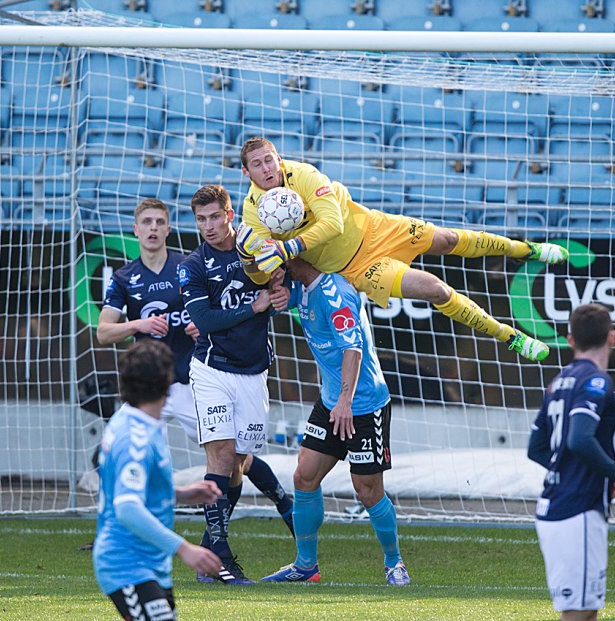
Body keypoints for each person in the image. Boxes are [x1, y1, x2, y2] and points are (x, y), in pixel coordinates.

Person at [234, 136, 569, 362]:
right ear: (246, 172)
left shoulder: (303, 174)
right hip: (355, 269)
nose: (268, 169)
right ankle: (509, 336)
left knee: (448, 240)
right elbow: (263, 269)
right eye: (258, 165)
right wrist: (254, 263)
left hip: (376, 228)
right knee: (435, 290)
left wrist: (289, 247)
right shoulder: (253, 213)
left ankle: (526, 249)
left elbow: (333, 223)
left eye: (270, 160)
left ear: (279, 158)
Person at [96, 198, 295, 547]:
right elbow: (103, 332)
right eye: (147, 222)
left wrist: (198, 325)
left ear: (169, 228)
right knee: (116, 446)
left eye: (160, 222)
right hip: (150, 388)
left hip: (189, 379)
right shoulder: (125, 277)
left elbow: (210, 313)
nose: (153, 228)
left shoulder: (184, 266)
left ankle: (281, 502)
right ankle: (114, 527)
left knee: (236, 458)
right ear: (135, 229)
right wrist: (139, 323)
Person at [260, 259, 409, 586]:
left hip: (364, 404)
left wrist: (345, 402)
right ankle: (306, 565)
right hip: (331, 402)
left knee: (366, 490)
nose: (277, 266)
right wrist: (273, 299)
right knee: (304, 475)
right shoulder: (301, 288)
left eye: (283, 259)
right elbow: (275, 299)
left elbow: (353, 349)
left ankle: (394, 562)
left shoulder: (335, 292)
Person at [177, 184, 283, 585]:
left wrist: (280, 294)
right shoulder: (194, 265)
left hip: (254, 371)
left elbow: (280, 282)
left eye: (215, 217)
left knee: (237, 464)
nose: (208, 226)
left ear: (230, 215)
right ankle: (219, 560)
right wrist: (252, 306)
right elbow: (204, 322)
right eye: (201, 219)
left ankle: (209, 550)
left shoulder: (256, 251)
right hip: (211, 370)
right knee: (220, 456)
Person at [528, 303, 615, 621]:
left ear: (569, 340)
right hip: (575, 510)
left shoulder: (557, 382)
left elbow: (536, 448)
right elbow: (579, 439)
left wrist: (593, 476)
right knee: (578, 614)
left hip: (562, 505)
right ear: (612, 337)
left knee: (587, 611)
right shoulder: (596, 381)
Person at [93, 339, 223, 621]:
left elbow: (132, 488)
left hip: (150, 563)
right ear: (167, 378)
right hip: (126, 564)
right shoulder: (134, 437)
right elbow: (127, 506)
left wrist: (181, 494)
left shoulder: (139, 422)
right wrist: (184, 549)